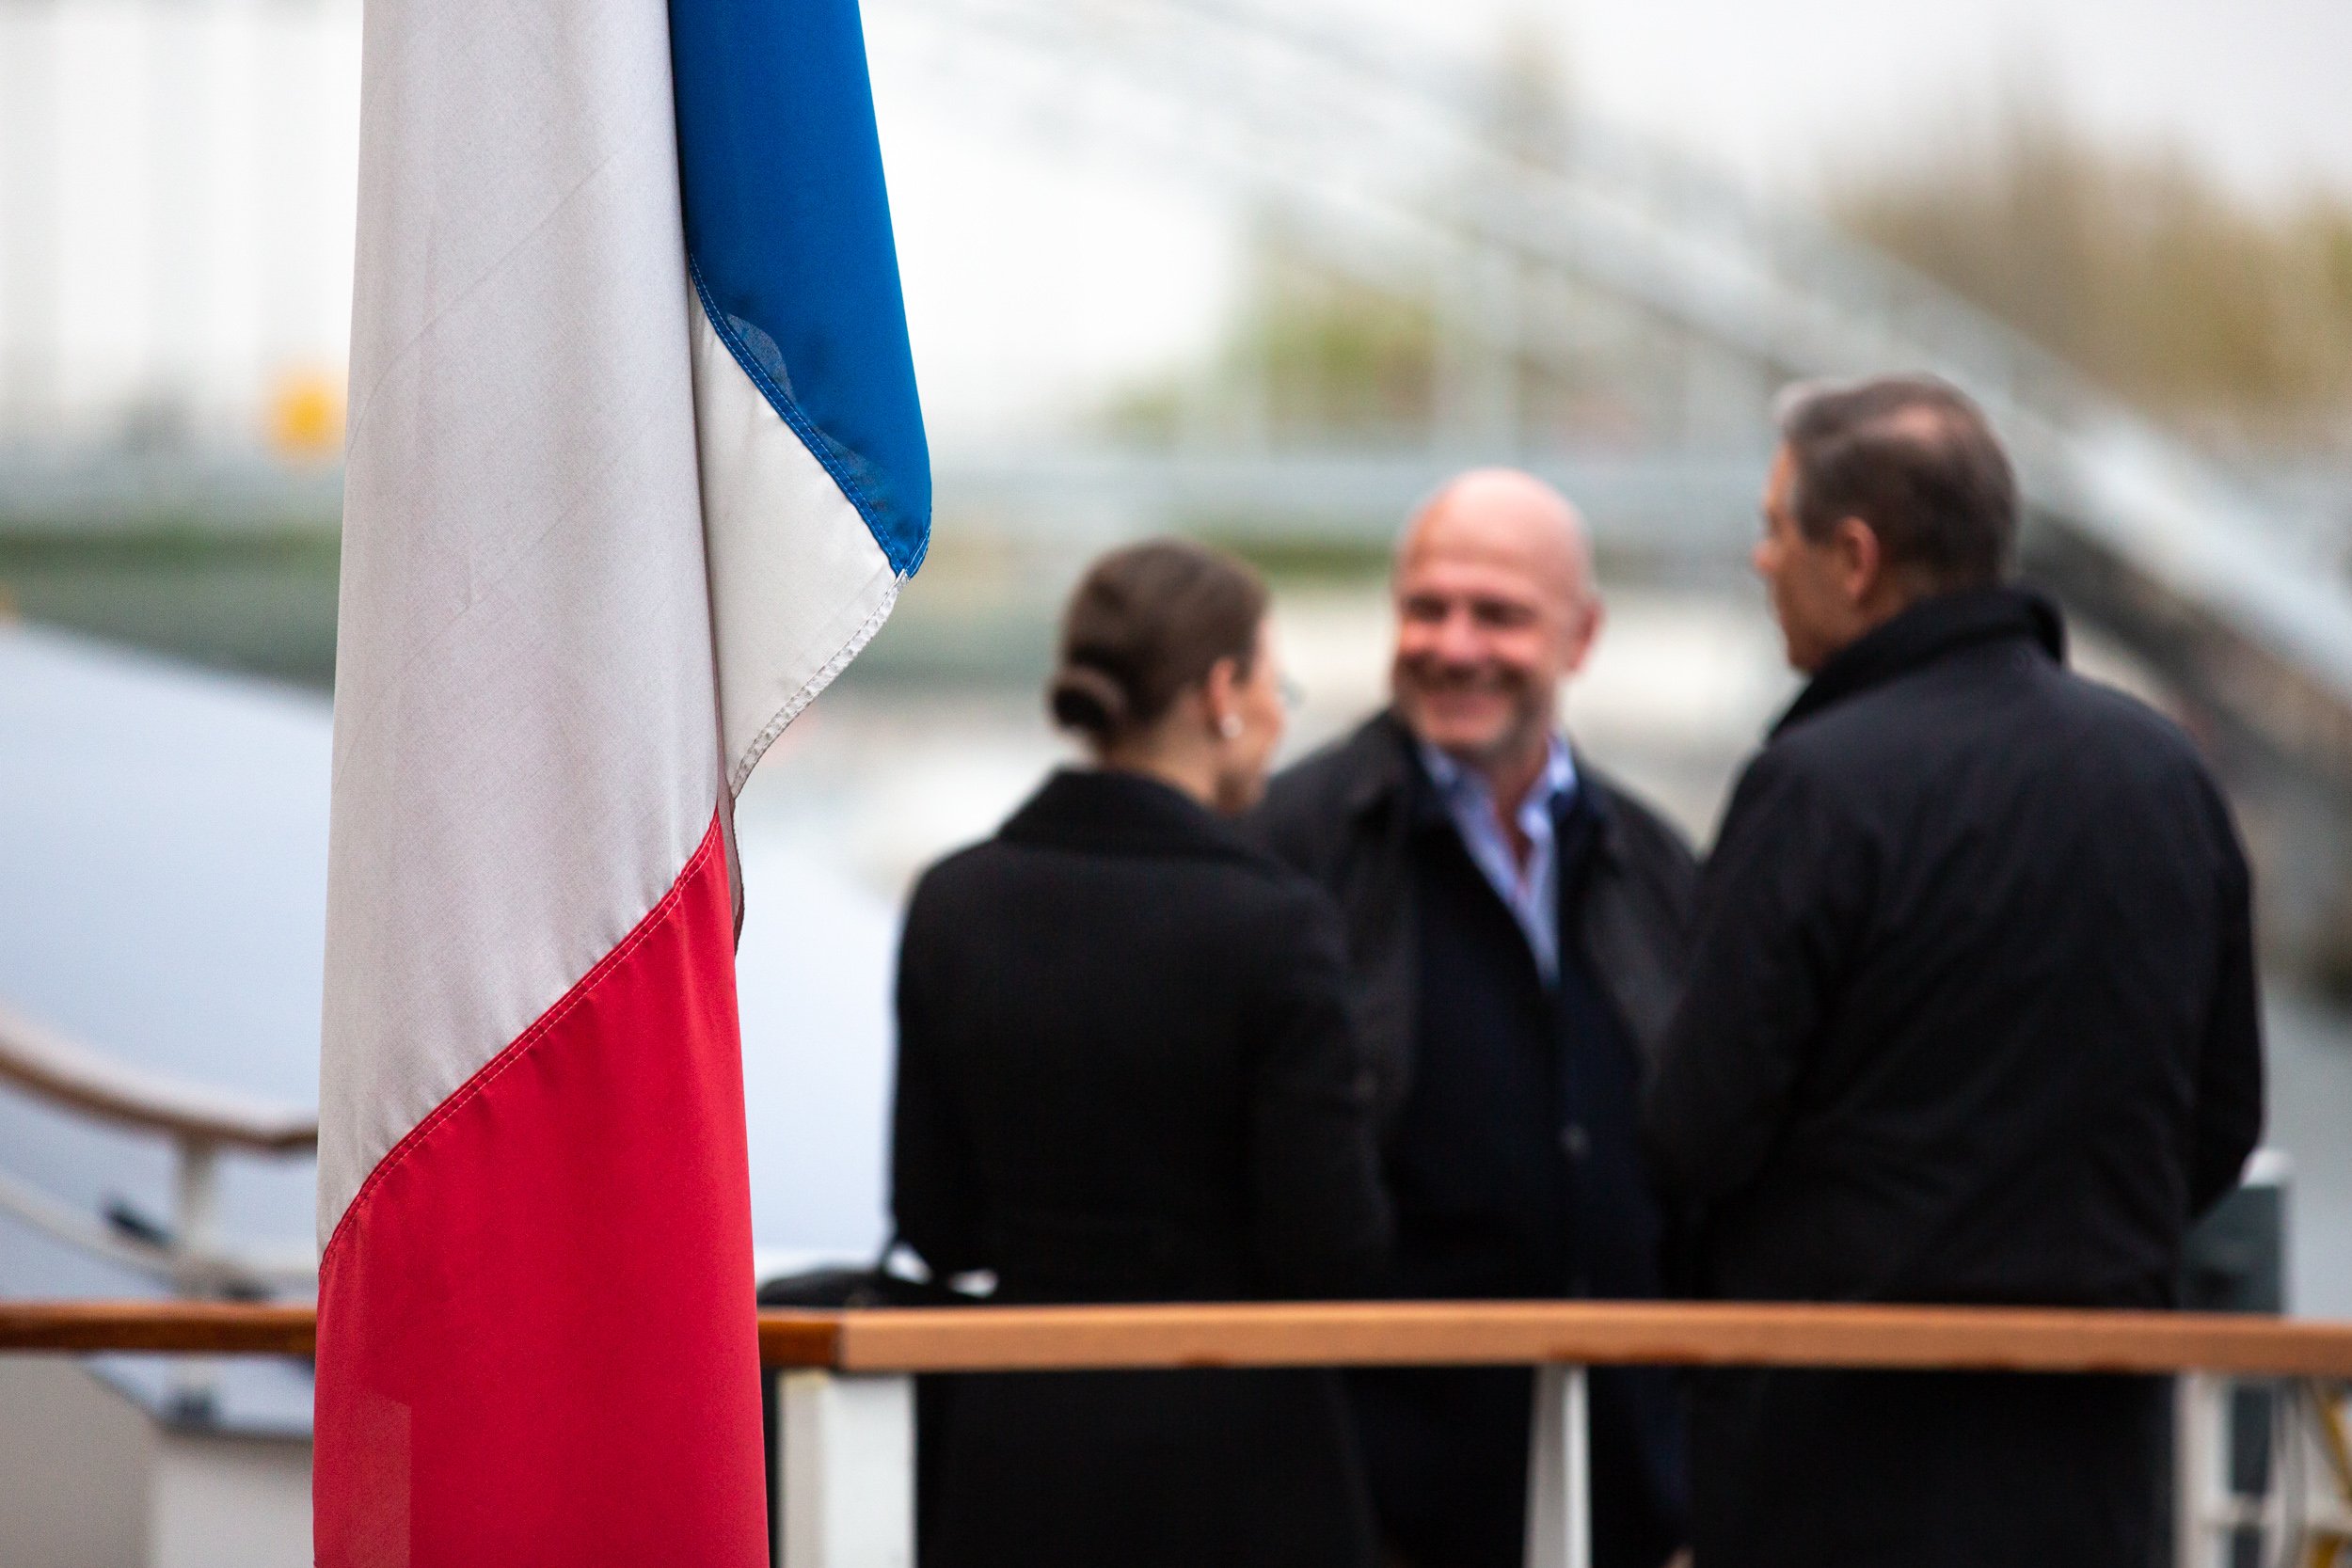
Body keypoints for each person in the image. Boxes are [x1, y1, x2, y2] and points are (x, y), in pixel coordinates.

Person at [1642, 375, 2265, 1568]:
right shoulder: (2162, 773)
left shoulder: (1815, 786)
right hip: (2089, 1455)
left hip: (1834, 1456)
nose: (1759, 558)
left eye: (1776, 529)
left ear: (1855, 555)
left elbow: (1695, 1127)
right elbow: (2219, 1116)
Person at [891, 538, 1391, 1568]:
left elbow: (935, 1220)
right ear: (1221, 691)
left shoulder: (955, 901)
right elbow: (1329, 1243)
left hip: (1015, 1459)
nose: (1281, 715)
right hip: (1239, 1461)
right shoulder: (1276, 923)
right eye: (1273, 682)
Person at [1254, 469, 1692, 1568]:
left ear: (1580, 635)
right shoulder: (1293, 843)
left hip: (1624, 1485)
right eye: (1425, 606)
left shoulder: (1655, 861)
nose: (1454, 644)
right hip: (1373, 1494)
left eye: (1497, 612)